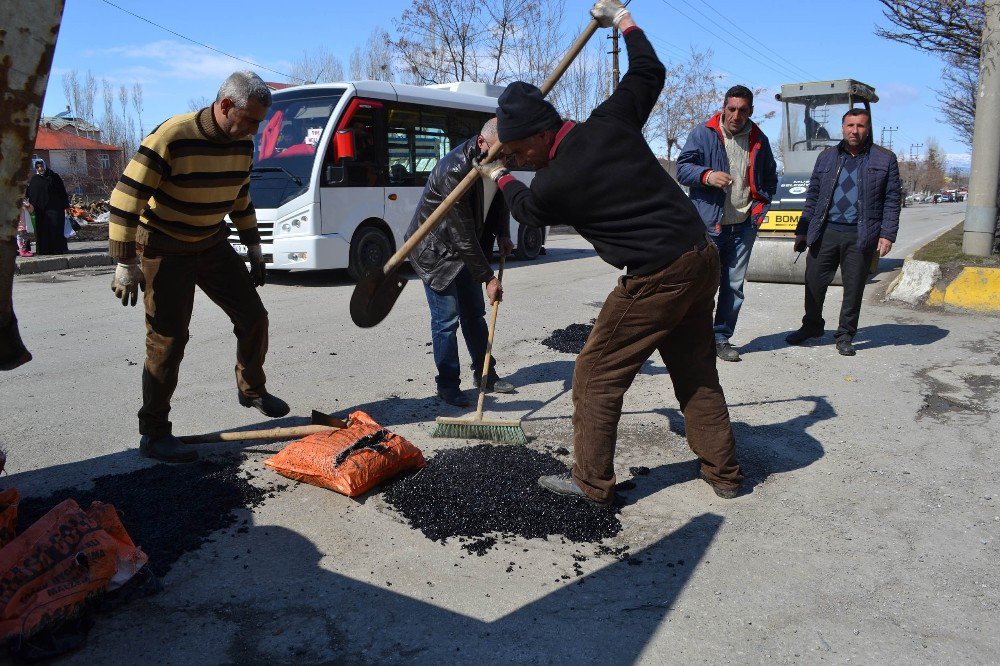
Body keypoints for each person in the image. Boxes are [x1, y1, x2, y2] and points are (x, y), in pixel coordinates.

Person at [474, 0, 743, 503]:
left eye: (518, 150)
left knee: (595, 374)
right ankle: (724, 474)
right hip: (700, 257)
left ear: (539, 134)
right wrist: (623, 19)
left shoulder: (558, 179)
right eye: (510, 155)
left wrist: (498, 174)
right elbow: (649, 69)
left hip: (657, 277)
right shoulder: (610, 119)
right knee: (695, 373)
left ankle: (592, 486)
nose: (519, 158)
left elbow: (529, 209)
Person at [107, 70, 289, 464]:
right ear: (225, 106)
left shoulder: (242, 145)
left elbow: (240, 200)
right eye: (252, 120)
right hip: (164, 247)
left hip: (211, 242)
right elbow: (125, 197)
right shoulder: (172, 136)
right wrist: (124, 262)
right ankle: (154, 433)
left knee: (254, 316)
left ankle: (252, 389)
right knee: (167, 340)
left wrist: (255, 248)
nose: (256, 130)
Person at [406, 118, 517, 407]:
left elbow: (499, 200)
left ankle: (486, 375)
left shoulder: (496, 159)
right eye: (500, 153)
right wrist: (488, 278)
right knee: (446, 321)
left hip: (467, 251)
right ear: (482, 143)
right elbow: (461, 232)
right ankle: (447, 386)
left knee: (474, 315)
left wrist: (503, 234)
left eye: (507, 154)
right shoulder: (454, 171)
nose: (504, 160)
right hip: (436, 253)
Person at [785, 108, 900, 356]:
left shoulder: (884, 159)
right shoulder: (826, 157)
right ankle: (812, 326)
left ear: (867, 128)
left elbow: (892, 199)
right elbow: (813, 195)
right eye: (850, 125)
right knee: (814, 282)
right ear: (843, 127)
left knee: (853, 286)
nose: (854, 131)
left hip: (861, 234)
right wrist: (802, 230)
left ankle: (845, 334)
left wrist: (887, 233)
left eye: (860, 126)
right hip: (824, 232)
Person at [676, 85, 777, 362]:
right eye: (731, 108)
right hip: (710, 225)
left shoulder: (759, 139)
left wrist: (759, 209)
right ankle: (693, 337)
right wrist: (707, 175)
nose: (736, 115)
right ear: (723, 108)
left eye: (742, 110)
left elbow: (770, 178)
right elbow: (682, 168)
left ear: (750, 112)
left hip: (744, 225)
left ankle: (721, 337)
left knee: (733, 286)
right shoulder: (703, 134)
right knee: (700, 284)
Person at [25, 159, 70, 255]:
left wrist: (66, 206)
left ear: (45, 166)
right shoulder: (34, 179)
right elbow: (30, 193)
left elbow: (62, 192)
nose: (40, 169)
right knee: (42, 230)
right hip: (41, 211)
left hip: (55, 209)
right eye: (37, 167)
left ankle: (58, 249)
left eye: (41, 166)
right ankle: (44, 250)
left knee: (56, 229)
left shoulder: (54, 177)